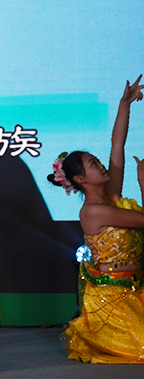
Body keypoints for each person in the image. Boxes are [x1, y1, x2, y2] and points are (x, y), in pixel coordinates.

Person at [52, 75, 144, 363]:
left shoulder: (112, 195)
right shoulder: (92, 211)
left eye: (98, 161)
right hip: (113, 300)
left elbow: (117, 145)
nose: (102, 165)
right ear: (81, 179)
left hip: (139, 290)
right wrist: (143, 183)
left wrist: (125, 103)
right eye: (94, 164)